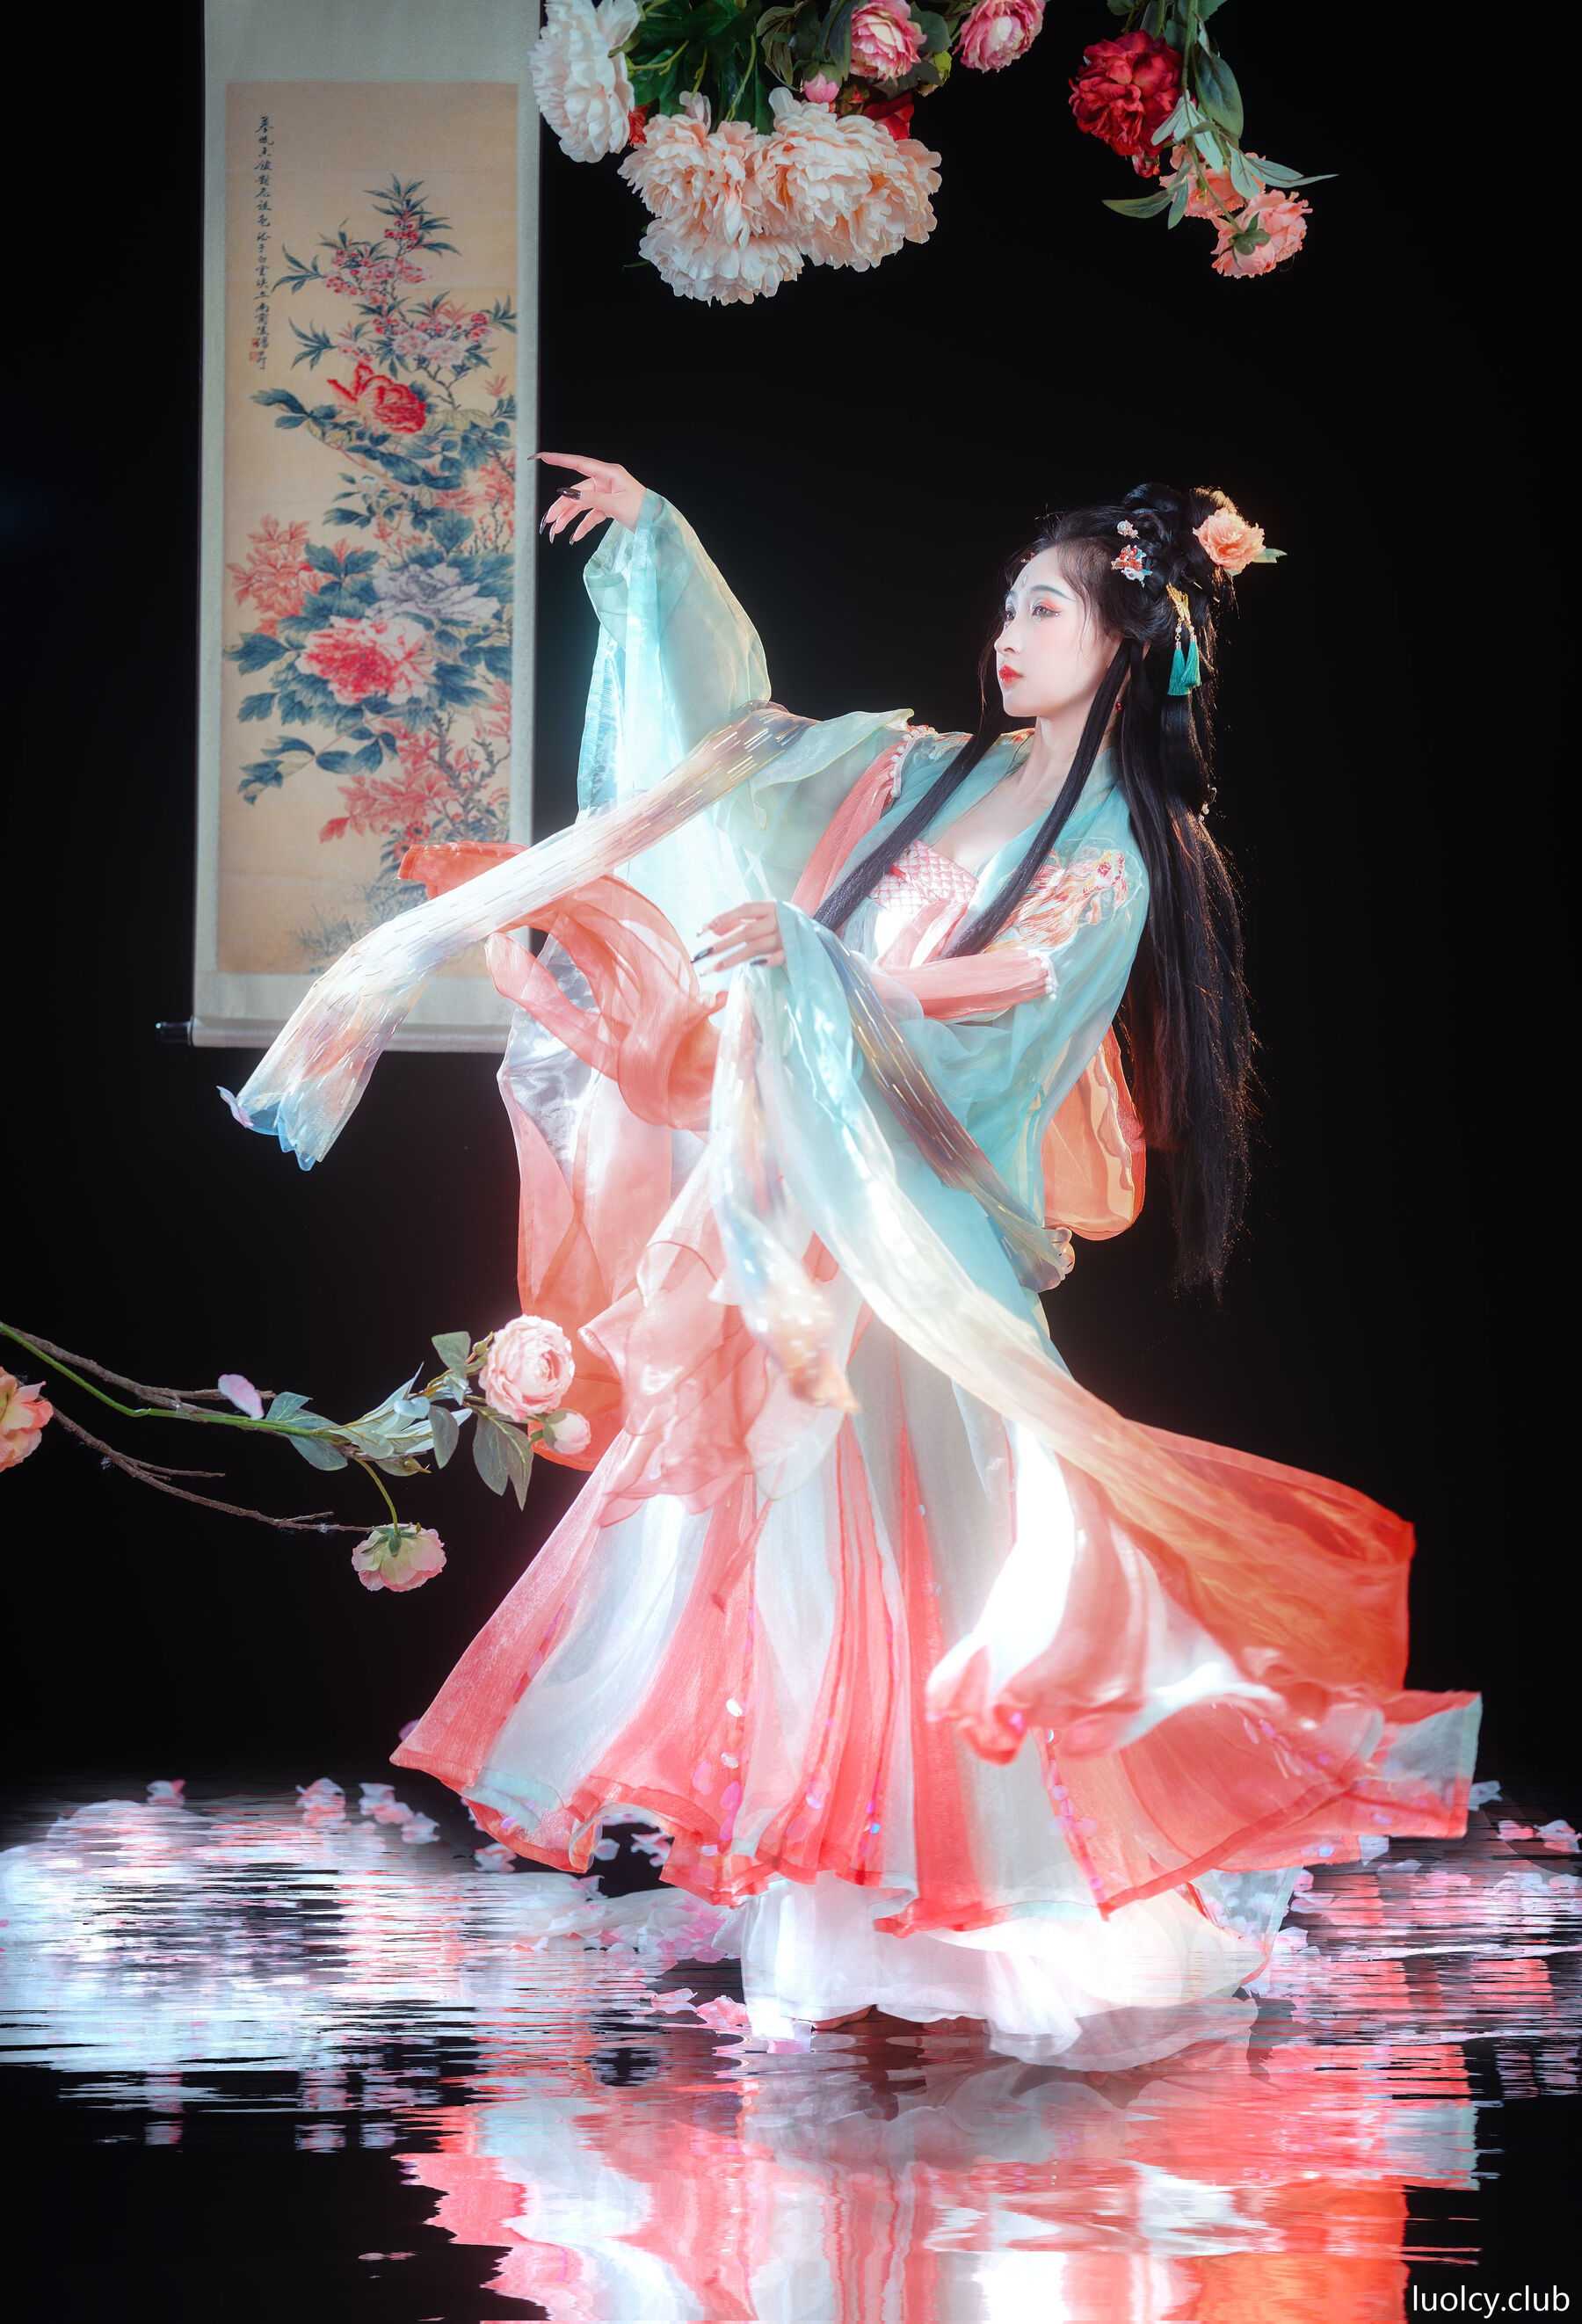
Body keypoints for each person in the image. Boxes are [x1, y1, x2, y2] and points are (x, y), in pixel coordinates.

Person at [233, 453, 1481, 2062]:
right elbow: (737, 755)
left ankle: (1000, 1920)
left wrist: (825, 969)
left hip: (925, 1242)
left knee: (951, 1565)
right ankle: (837, 1914)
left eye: (1049, 610)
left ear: (1130, 639)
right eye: (1012, 606)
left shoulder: (1127, 845)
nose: (1010, 635)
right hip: (808, 1210)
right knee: (818, 1563)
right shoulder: (919, 774)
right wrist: (661, 550)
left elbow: (1014, 996)